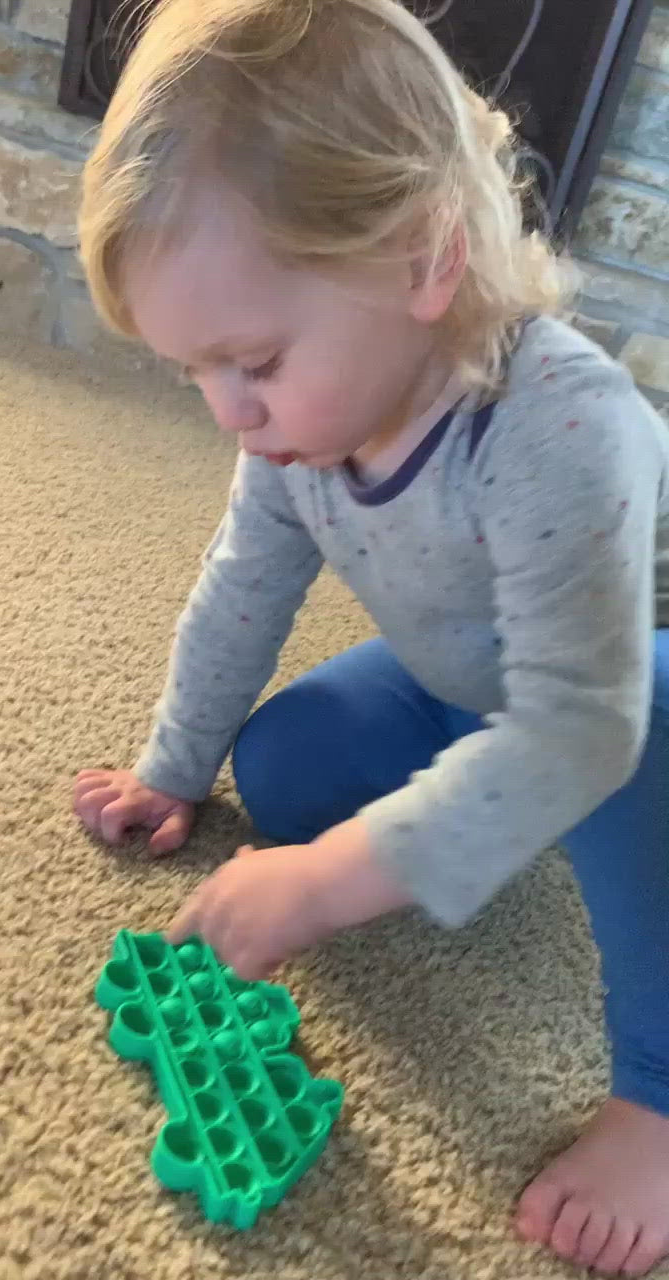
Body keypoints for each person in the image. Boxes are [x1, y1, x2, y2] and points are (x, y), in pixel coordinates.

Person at [73, 0, 669, 1272]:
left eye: (254, 360)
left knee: (629, 763)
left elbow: (583, 724)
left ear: (424, 259)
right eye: (195, 372)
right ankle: (490, 807)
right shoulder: (296, 436)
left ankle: (660, 1101)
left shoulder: (564, 424)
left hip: (616, 694)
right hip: (465, 678)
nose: (231, 412)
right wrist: (175, 764)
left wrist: (336, 880)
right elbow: (244, 586)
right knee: (285, 768)